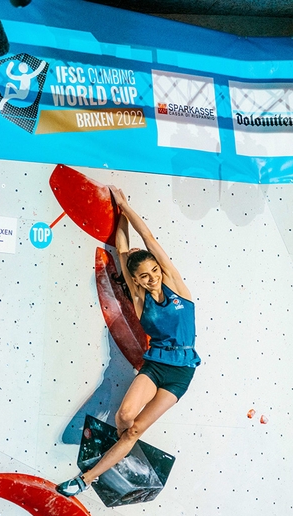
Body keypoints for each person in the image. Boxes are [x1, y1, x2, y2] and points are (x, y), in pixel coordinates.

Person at [57, 186, 200, 496]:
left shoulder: (176, 285)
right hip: (154, 365)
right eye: (145, 276)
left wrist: (125, 206)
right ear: (136, 281)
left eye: (154, 271)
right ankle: (124, 449)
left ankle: (87, 478)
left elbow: (147, 239)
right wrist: (118, 219)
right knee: (125, 418)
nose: (153, 277)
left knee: (136, 426)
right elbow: (123, 252)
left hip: (180, 373)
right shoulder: (138, 299)